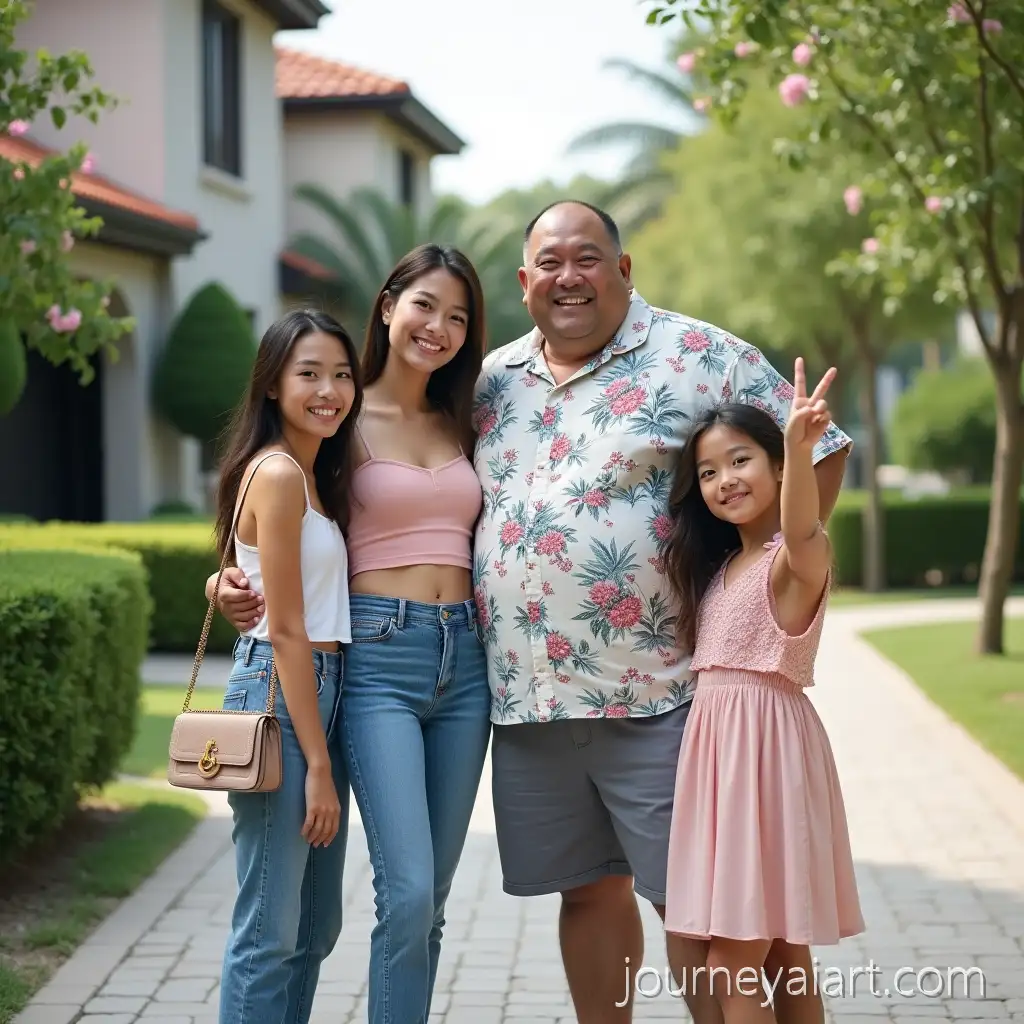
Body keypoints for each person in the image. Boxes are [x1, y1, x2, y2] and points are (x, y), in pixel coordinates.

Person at [469, 200, 854, 1023]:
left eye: (587, 258)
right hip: (533, 699)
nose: (567, 277)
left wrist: (769, 564)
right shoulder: (493, 379)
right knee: (584, 892)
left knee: (711, 915)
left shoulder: (699, 352)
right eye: (549, 263)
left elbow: (819, 448)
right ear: (524, 279)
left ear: (624, 267)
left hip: (667, 694)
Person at [210, 244, 492, 1024]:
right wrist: (226, 580)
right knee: (396, 896)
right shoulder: (339, 416)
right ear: (388, 305)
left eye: (460, 316)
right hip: (374, 653)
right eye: (425, 305)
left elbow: (306, 540)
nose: (439, 327)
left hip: (466, 660)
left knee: (410, 903)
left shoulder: (469, 419)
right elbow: (266, 516)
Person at [660, 378, 865, 1024]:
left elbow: (802, 525)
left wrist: (803, 449)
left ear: (778, 467)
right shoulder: (720, 572)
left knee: (732, 961)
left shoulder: (792, 559)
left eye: (742, 460)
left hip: (768, 761)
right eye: (709, 471)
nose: (726, 480)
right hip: (723, 770)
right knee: (783, 956)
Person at [210, 309, 363, 1024]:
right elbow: (289, 627)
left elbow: (240, 575)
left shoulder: (312, 474)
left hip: (319, 690)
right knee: (270, 927)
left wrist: (220, 583)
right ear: (272, 385)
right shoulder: (275, 474)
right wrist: (321, 765)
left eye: (341, 374)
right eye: (309, 374)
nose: (329, 389)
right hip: (280, 687)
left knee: (313, 926)